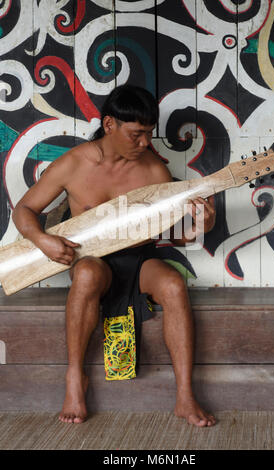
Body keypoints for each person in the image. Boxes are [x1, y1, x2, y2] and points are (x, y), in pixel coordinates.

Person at [12, 84, 216, 427]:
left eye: (148, 135)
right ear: (109, 125)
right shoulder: (73, 164)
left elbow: (167, 237)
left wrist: (197, 231)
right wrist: (41, 239)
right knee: (89, 273)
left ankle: (185, 395)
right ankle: (75, 378)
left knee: (173, 284)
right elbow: (24, 210)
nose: (144, 144)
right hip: (93, 261)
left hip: (139, 260)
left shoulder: (153, 171)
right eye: (136, 134)